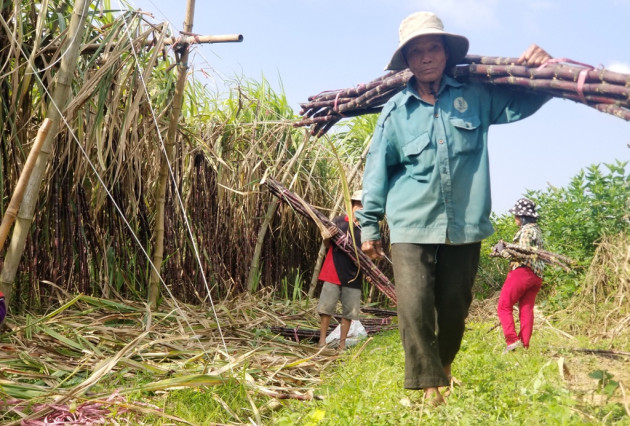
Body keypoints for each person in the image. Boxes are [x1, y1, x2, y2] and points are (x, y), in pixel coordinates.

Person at [356, 11, 553, 405]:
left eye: (434, 48)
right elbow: (377, 170)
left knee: (453, 307)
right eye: (417, 51)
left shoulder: (474, 96)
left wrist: (544, 71)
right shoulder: (396, 111)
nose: (426, 57)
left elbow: (522, 104)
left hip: (463, 224)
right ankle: (431, 388)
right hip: (412, 223)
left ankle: (444, 365)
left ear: (446, 53)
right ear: (407, 60)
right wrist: (369, 226)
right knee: (413, 308)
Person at [494, 198, 544, 354]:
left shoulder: (526, 230)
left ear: (522, 217)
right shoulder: (537, 230)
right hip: (536, 275)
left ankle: (512, 340)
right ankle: (525, 346)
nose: (515, 218)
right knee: (526, 309)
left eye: (516, 215)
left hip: (522, 272)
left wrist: (502, 251)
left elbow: (522, 253)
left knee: (503, 306)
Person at [317, 190, 364, 351]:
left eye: (364, 205)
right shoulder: (338, 221)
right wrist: (327, 236)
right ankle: (322, 341)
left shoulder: (367, 229)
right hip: (333, 271)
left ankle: (342, 344)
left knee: (349, 312)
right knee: (326, 308)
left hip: (354, 275)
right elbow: (328, 244)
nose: (360, 208)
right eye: (357, 205)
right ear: (351, 206)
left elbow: (369, 254)